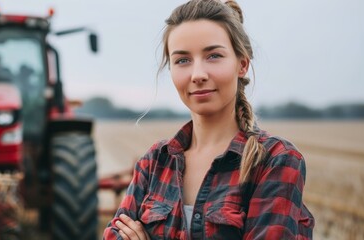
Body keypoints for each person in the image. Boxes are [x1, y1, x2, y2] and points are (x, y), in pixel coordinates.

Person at [103, 0, 315, 239]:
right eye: (182, 60)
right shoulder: (154, 163)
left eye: (213, 56)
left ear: (242, 64)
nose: (198, 75)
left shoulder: (275, 161)